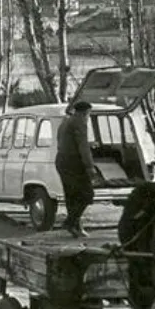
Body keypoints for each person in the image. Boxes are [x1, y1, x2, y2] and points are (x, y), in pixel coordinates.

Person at [56, 101, 98, 238]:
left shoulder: (65, 122)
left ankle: (76, 227)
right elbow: (83, 147)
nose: (88, 117)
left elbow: (62, 141)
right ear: (85, 112)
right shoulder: (80, 122)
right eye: (88, 114)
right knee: (87, 195)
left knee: (71, 195)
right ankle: (70, 222)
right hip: (73, 163)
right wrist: (90, 167)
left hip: (61, 160)